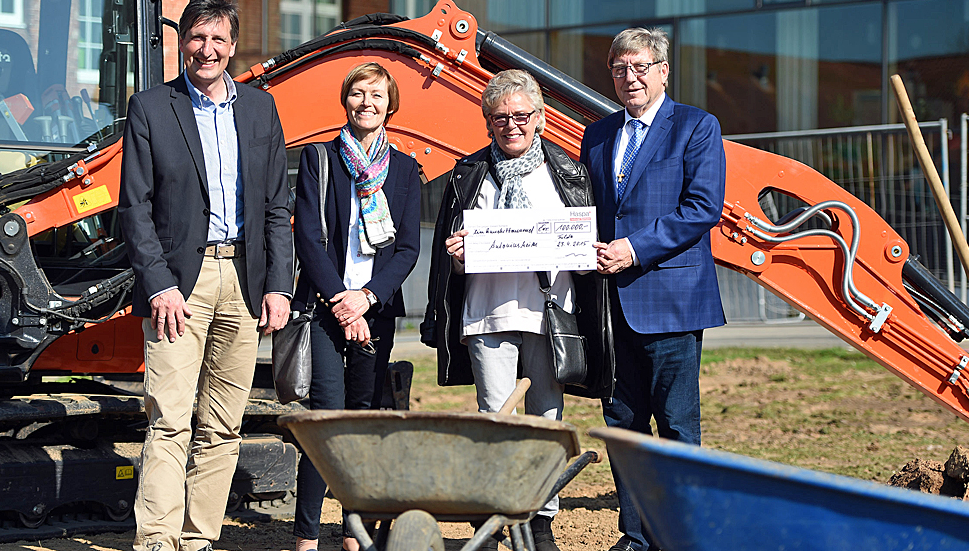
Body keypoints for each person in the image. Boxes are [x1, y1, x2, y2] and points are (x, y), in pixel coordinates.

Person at [118, 0, 293, 551]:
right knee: (169, 419)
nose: (207, 49)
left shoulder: (261, 109)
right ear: (182, 42)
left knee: (222, 425)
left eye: (218, 39)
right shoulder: (151, 107)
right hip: (178, 286)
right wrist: (159, 284)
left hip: (243, 280)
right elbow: (135, 207)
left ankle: (198, 540)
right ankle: (157, 539)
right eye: (197, 37)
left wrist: (279, 286)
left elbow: (276, 206)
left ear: (233, 46)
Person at [421, 69, 612, 551]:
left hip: (549, 313)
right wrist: (457, 256)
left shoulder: (567, 172)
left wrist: (583, 252)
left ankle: (540, 521)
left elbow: (583, 247)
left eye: (522, 115)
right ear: (487, 122)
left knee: (546, 419)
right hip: (486, 313)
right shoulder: (467, 174)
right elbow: (449, 260)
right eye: (500, 117)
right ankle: (490, 520)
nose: (512, 125)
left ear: (541, 118)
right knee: (494, 421)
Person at [579, 27, 726, 551]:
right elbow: (584, 211)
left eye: (640, 67)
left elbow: (702, 208)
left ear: (663, 71)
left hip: (671, 302)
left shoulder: (696, 127)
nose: (630, 77)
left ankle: (681, 536)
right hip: (610, 307)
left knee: (677, 427)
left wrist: (634, 249)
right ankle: (636, 538)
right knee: (623, 425)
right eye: (620, 68)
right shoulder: (597, 135)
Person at [290, 61, 421, 551]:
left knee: (363, 418)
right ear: (345, 101)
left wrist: (365, 300)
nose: (367, 103)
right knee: (325, 419)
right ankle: (306, 536)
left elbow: (407, 249)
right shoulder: (320, 158)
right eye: (358, 93)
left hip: (375, 311)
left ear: (391, 105)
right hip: (325, 307)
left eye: (377, 95)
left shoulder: (405, 170)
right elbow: (307, 237)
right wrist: (342, 304)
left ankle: (354, 534)